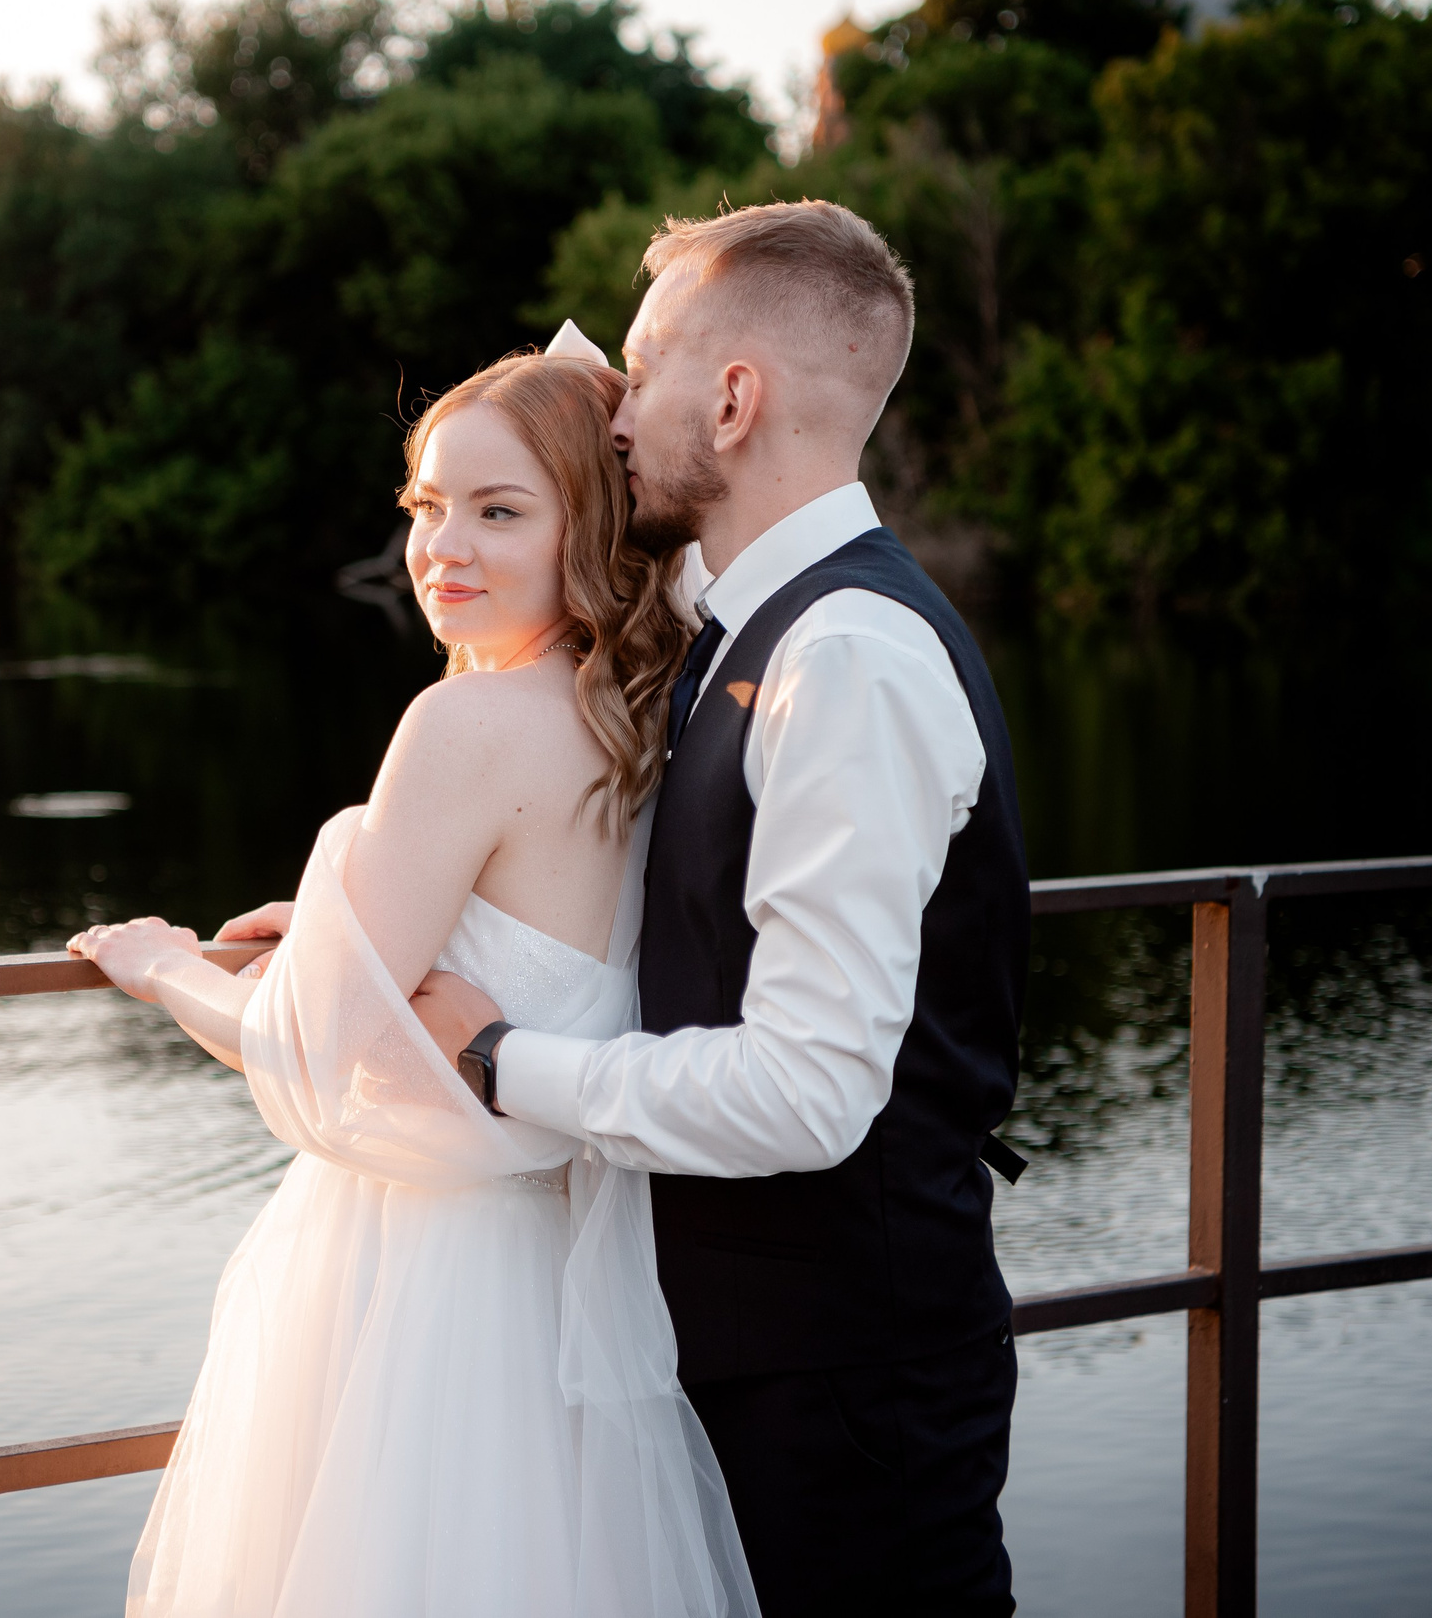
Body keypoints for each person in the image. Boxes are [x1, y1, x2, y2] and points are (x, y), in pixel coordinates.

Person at [401, 200, 1031, 1616]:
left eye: (648, 370)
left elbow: (810, 1090)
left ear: (736, 399)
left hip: (846, 1391)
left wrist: (502, 1059)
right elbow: (575, 487)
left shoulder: (847, 659)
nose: (617, 411)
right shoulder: (745, 612)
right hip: (750, 1359)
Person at [69, 332, 758, 1618]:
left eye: (498, 510)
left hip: (428, 1289)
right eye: (427, 506)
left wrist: (164, 969)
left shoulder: (462, 720)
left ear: (587, 526)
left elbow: (305, 1048)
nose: (443, 546)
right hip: (570, 1281)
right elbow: (532, 943)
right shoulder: (647, 712)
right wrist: (363, 926)